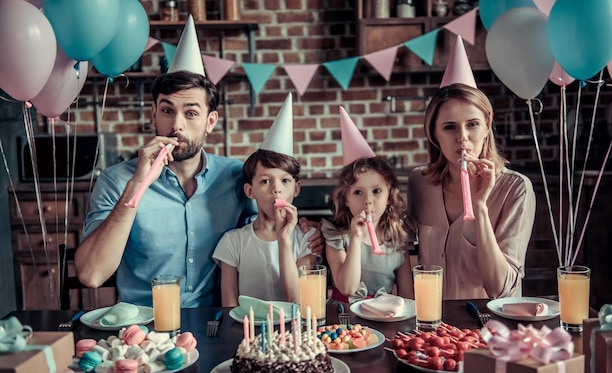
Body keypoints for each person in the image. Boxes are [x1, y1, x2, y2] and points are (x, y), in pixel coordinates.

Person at [74, 18, 321, 308]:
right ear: (153, 114)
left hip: (217, 322)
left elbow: (266, 227)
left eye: (190, 113)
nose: (176, 125)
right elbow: (91, 275)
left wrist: (307, 232)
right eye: (167, 110)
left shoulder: (235, 176)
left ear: (210, 121)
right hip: (145, 326)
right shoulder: (117, 181)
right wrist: (137, 188)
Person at [407, 82, 536, 300]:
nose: (462, 137)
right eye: (449, 127)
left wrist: (479, 207)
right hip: (433, 325)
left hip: (491, 325)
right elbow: (401, 249)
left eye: (472, 124)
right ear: (434, 134)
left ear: (487, 126)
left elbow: (500, 289)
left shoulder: (516, 188)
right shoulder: (419, 182)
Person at [213, 94, 318, 306]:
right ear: (250, 191)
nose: (277, 189)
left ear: (296, 189)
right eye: (265, 181)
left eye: (285, 181)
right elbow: (229, 308)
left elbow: (296, 302)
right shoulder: (232, 243)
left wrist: (284, 238)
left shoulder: (308, 239)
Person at [322, 107, 413, 303]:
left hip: (383, 317)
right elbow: (347, 287)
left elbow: (407, 296)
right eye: (357, 192)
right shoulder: (335, 234)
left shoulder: (397, 238)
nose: (368, 200)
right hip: (343, 318)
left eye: (376, 191)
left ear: (389, 195)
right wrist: (355, 237)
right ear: (345, 198)